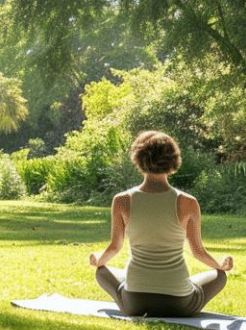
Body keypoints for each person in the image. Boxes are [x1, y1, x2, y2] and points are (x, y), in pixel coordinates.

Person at [88, 130, 233, 317]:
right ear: (173, 160)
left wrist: (99, 260)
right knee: (219, 277)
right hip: (179, 304)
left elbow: (115, 247)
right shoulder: (188, 202)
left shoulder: (122, 200)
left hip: (135, 303)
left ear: (138, 159)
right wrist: (220, 265)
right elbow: (198, 252)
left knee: (101, 272)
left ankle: (128, 293)